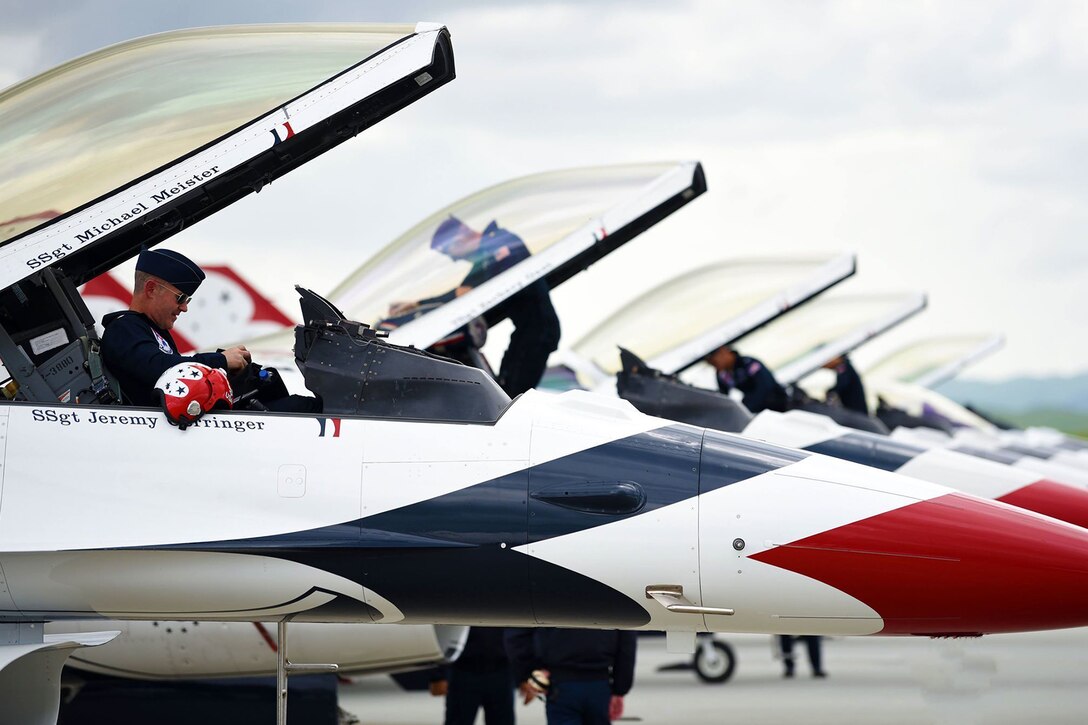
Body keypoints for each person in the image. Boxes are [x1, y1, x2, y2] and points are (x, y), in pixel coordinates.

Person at [101, 247, 319, 412]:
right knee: (305, 409)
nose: (184, 307)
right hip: (172, 426)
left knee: (286, 395)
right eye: (181, 298)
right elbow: (160, 368)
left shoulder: (149, 330)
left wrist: (227, 366)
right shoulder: (123, 328)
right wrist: (221, 361)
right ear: (151, 289)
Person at [393, 216, 561, 397]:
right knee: (502, 391)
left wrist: (418, 305)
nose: (455, 260)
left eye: (450, 253)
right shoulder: (490, 249)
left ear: (459, 239)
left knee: (509, 399)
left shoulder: (499, 243)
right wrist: (417, 304)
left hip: (538, 332)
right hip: (527, 333)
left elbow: (464, 292)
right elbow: (461, 291)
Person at [505, 627, 636, 725]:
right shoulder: (609, 596)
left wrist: (531, 672)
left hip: (561, 682)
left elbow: (517, 635)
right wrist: (620, 688)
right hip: (599, 682)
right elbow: (626, 640)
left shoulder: (547, 592)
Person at [429, 627, 515, 725]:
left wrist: (526, 675)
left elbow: (519, 631)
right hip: (463, 671)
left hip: (501, 670)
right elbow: (443, 630)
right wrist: (438, 675)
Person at [705, 345, 789, 413]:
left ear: (723, 351)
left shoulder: (748, 363)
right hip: (758, 410)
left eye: (714, 361)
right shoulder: (722, 374)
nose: (714, 365)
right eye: (711, 364)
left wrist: (747, 408)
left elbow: (766, 386)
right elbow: (723, 397)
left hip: (781, 403)